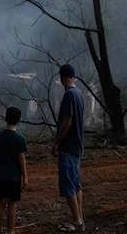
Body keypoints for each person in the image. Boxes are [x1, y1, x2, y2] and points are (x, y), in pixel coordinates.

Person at [53, 64, 86, 233]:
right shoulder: (79, 93)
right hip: (77, 145)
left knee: (68, 186)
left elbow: (68, 122)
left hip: (69, 146)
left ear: (62, 77)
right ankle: (79, 219)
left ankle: (77, 222)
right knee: (76, 184)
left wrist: (57, 141)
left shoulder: (69, 95)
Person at [0, 107, 28, 234]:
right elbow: (21, 159)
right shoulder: (20, 139)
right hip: (14, 177)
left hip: (0, 175)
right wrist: (25, 176)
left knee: (0, 203)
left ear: (5, 118)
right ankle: (10, 231)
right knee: (12, 204)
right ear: (20, 120)